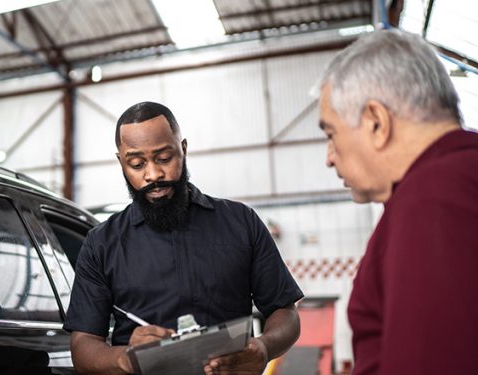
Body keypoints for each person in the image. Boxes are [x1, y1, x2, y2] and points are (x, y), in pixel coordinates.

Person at [63, 101, 303, 374]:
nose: (153, 174)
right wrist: (124, 358)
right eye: (137, 164)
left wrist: (263, 347)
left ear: (183, 149)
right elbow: (82, 346)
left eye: (164, 158)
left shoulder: (241, 223)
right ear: (121, 162)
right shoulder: (101, 244)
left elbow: (285, 313)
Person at [316, 29, 478, 374]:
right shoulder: (459, 176)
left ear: (376, 122)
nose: (329, 157)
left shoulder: (432, 201)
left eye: (331, 133)